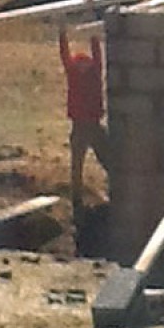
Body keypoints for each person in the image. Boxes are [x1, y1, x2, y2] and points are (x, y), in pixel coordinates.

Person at [59, 23, 110, 214]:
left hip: (89, 126)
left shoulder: (87, 72)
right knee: (80, 166)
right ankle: (77, 201)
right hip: (86, 126)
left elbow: (68, 55)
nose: (81, 67)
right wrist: (90, 34)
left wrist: (91, 34)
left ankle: (79, 201)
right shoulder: (89, 72)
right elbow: (66, 55)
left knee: (93, 163)